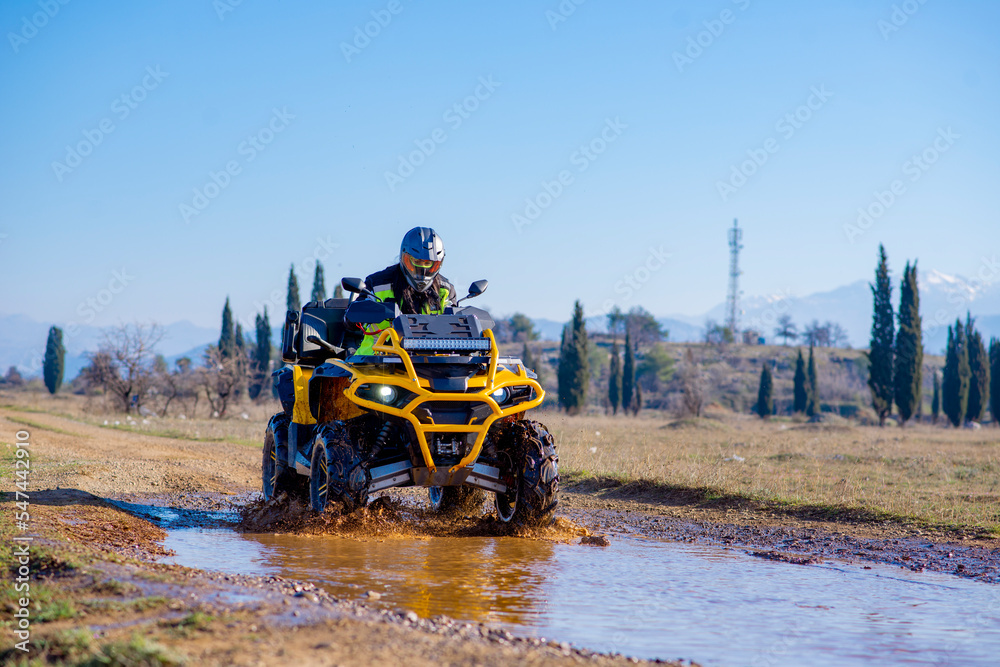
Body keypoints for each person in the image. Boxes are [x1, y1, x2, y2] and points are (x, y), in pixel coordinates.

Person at [356, 227, 457, 355]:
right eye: (416, 262)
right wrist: (370, 310)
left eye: (429, 264)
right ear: (404, 257)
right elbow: (349, 320)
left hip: (431, 365)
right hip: (375, 363)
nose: (423, 270)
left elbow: (457, 325)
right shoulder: (377, 284)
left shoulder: (445, 290)